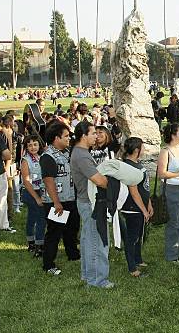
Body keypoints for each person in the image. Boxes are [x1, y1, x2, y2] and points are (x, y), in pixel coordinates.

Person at [71, 121, 114, 288]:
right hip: (91, 203)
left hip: (86, 201)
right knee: (97, 241)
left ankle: (88, 276)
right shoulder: (82, 155)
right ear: (83, 136)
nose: (96, 136)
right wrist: (114, 181)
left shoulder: (81, 152)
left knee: (88, 240)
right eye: (93, 133)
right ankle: (98, 280)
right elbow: (100, 181)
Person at [40, 121, 80, 276]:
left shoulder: (67, 152)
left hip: (70, 197)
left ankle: (73, 254)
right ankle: (48, 264)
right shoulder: (48, 156)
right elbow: (49, 181)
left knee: (72, 228)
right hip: (55, 202)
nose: (68, 139)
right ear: (56, 138)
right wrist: (56, 203)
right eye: (66, 136)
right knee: (54, 232)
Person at [157, 123, 179, 263]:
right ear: (173, 135)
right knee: (173, 223)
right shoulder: (165, 151)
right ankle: (172, 255)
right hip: (172, 190)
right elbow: (162, 173)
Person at [120, 137, 153, 277]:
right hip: (132, 208)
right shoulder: (127, 166)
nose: (144, 150)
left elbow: (144, 188)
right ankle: (132, 268)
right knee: (131, 238)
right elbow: (134, 192)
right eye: (143, 147)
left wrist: (149, 203)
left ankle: (138, 259)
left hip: (142, 206)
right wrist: (143, 210)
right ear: (136, 150)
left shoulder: (137, 163)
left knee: (139, 234)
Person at [19, 135, 46, 257]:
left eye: (35, 144)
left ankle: (31, 242)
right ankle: (39, 246)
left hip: (41, 190)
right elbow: (26, 181)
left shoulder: (41, 156)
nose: (33, 147)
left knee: (32, 217)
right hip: (31, 192)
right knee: (40, 218)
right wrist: (36, 197)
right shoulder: (26, 160)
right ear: (26, 147)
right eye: (29, 145)